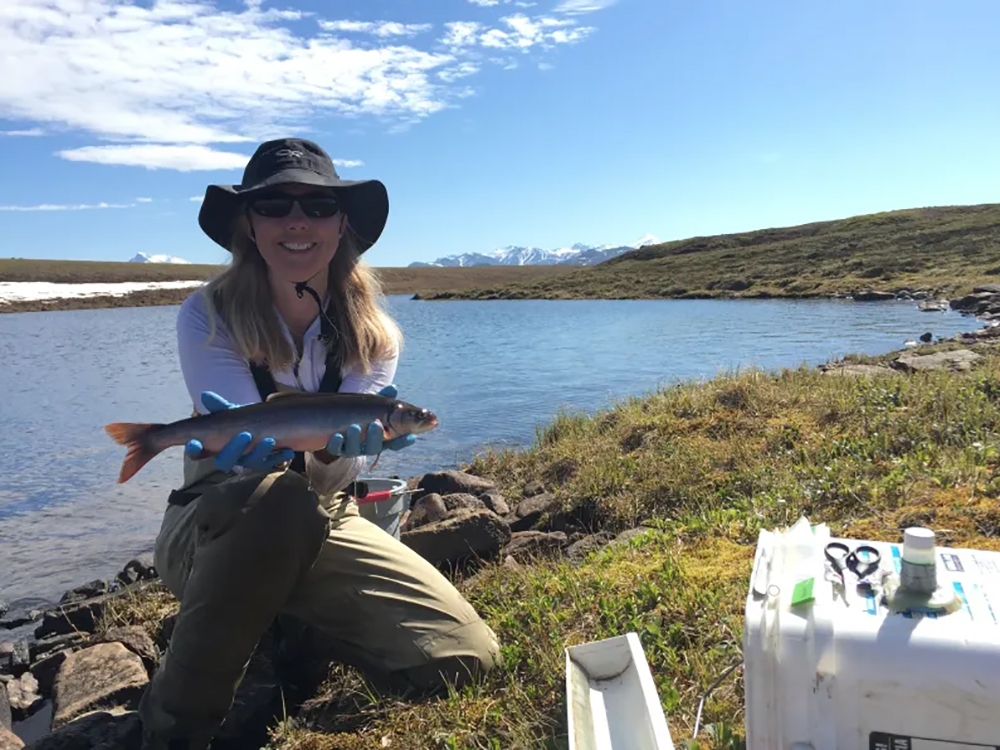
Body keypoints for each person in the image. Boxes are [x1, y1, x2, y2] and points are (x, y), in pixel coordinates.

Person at [137, 138, 501, 750]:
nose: (297, 221)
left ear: (342, 226)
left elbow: (341, 462)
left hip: (328, 514)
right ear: (249, 226)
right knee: (274, 500)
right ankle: (173, 731)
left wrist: (340, 454)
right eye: (275, 205)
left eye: (319, 207)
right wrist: (277, 451)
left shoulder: (376, 337)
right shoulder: (208, 313)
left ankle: (298, 627)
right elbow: (237, 436)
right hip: (215, 520)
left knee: (465, 659)